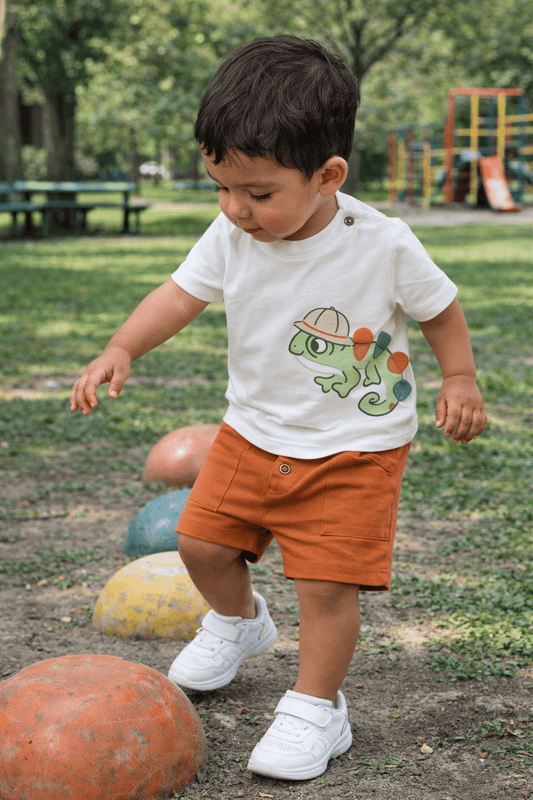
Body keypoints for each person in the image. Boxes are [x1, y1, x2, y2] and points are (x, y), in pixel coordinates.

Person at [71, 35, 487, 781]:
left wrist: (457, 377)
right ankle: (237, 621)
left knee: (325, 586)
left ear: (328, 176)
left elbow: (440, 307)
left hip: (355, 444)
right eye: (221, 188)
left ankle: (316, 708)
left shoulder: (382, 243)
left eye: (258, 193)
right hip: (251, 432)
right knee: (200, 545)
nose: (236, 210)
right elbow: (178, 294)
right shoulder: (233, 233)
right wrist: (121, 347)